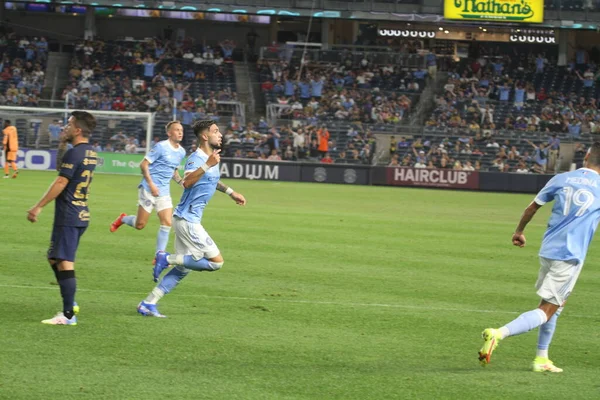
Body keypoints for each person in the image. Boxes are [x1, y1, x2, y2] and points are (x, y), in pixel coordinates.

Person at [479, 142, 600, 372]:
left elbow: (531, 208)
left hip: (548, 251)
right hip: (571, 255)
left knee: (556, 305)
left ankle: (541, 358)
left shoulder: (561, 178)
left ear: (586, 156)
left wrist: (519, 232)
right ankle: (499, 333)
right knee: (547, 309)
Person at [137, 120, 247, 318]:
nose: (220, 135)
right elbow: (187, 182)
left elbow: (212, 180)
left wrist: (231, 192)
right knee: (216, 262)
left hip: (186, 219)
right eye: (215, 131)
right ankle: (165, 258)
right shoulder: (197, 159)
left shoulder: (209, 158)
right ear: (205, 136)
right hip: (188, 221)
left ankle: (148, 303)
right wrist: (207, 165)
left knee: (182, 269)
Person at [26, 111, 98, 326]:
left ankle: (68, 314)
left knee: (64, 262)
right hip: (80, 212)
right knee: (53, 258)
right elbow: (63, 169)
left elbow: (60, 182)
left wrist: (38, 207)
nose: (64, 127)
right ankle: (70, 302)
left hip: (68, 214)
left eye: (68, 124)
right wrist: (61, 145)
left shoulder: (75, 154)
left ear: (77, 130)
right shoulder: (89, 152)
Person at [109, 121, 186, 261]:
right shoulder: (161, 147)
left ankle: (159, 256)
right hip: (148, 189)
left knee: (167, 222)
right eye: (177, 130)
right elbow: (143, 164)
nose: (180, 132)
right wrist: (151, 184)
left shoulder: (181, 152)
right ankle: (123, 219)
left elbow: (173, 170)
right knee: (140, 225)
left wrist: (180, 182)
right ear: (169, 133)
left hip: (164, 192)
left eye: (181, 130)